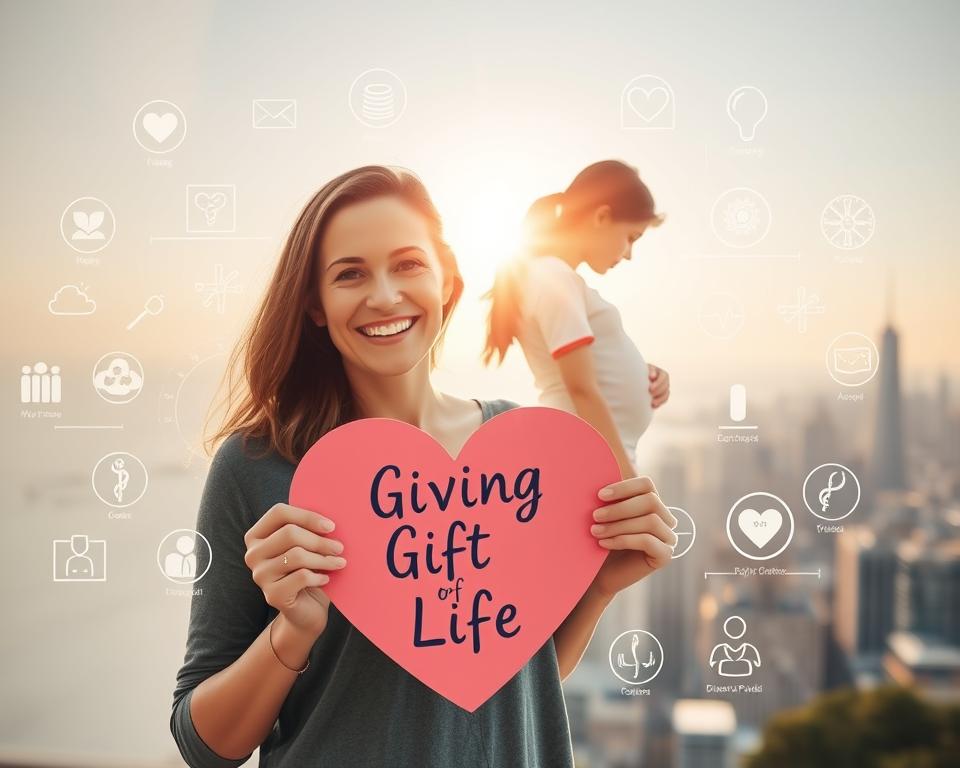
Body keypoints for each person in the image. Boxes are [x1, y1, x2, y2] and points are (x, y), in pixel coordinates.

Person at [169, 166, 678, 768]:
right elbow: (204, 746)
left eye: (408, 264)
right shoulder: (258, 464)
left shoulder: (522, 453)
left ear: (447, 283)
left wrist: (597, 587)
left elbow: (518, 681)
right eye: (350, 273)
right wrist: (292, 632)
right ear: (314, 305)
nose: (384, 295)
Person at [483, 160, 670, 479]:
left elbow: (589, 365)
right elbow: (580, 386)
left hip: (591, 457)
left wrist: (646, 374)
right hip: (589, 461)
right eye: (631, 237)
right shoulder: (552, 278)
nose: (628, 254)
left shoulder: (555, 278)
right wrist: (626, 478)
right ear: (601, 217)